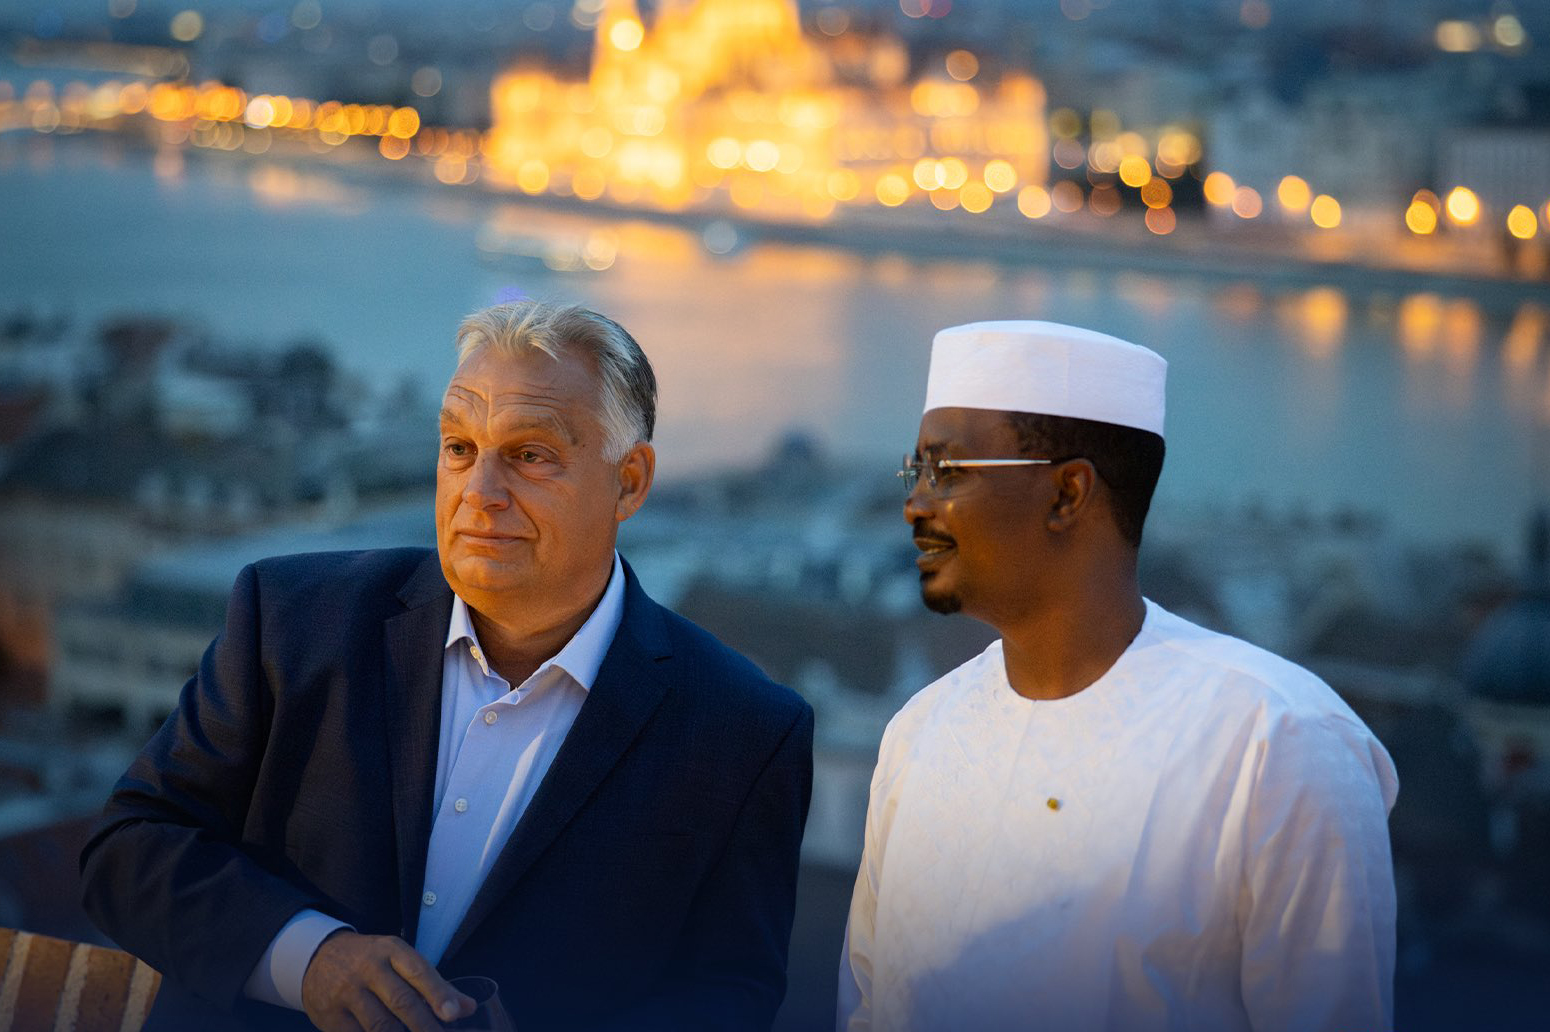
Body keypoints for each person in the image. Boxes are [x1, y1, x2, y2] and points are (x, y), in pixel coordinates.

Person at [80, 301, 814, 1032]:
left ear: (630, 481)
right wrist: (309, 960)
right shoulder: (291, 620)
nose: (480, 493)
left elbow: (727, 996)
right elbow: (130, 847)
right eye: (460, 447)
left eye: (530, 455)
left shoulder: (743, 732)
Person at [837, 321, 1398, 1032]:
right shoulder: (921, 731)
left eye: (946, 472)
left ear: (1068, 493)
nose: (915, 504)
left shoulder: (1277, 742)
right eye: (914, 472)